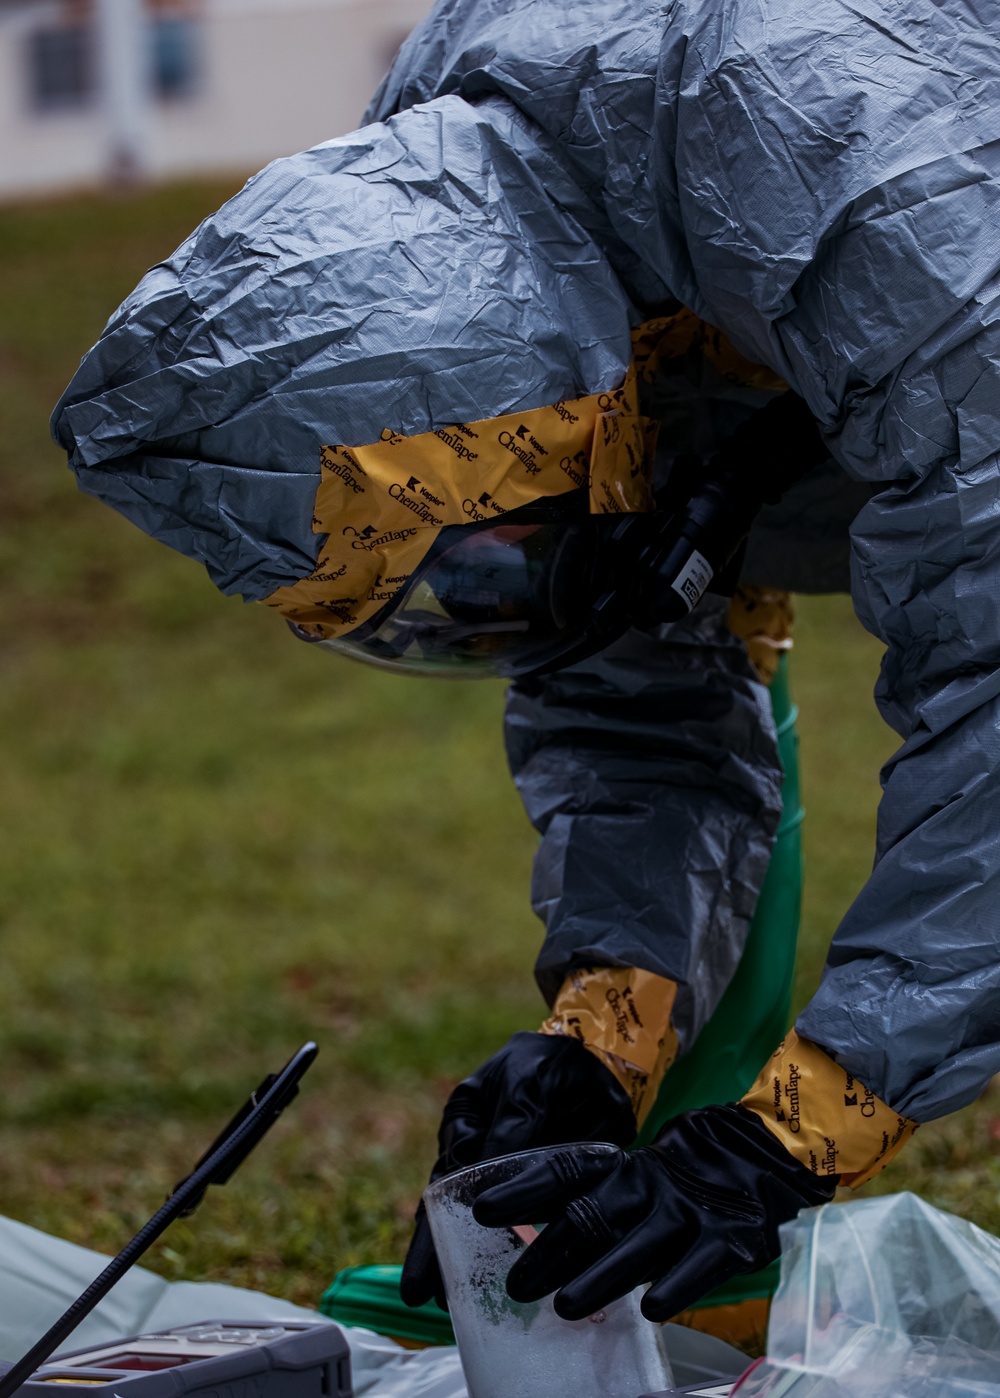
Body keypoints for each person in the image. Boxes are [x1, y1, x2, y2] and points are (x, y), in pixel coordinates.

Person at [53, 0, 1000, 1326]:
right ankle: (698, 1242)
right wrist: (601, 1037)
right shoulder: (447, 226)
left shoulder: (869, 178)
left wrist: (791, 1140)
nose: (501, 604)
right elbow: (638, 666)